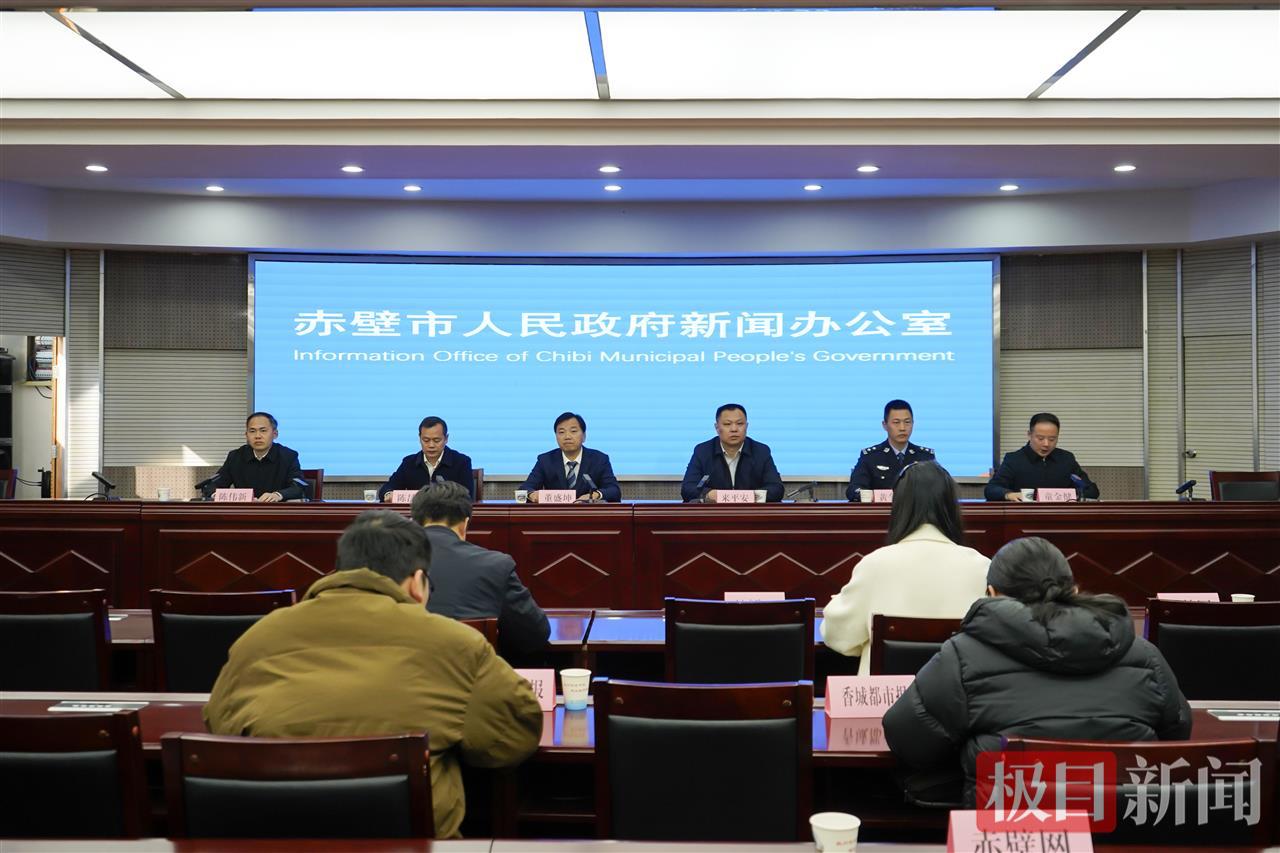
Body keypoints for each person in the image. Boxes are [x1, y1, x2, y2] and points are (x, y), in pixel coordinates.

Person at [204, 510, 543, 838]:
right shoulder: (456, 643)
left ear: (340, 570)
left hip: (273, 843)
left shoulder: (259, 636)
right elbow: (516, 734)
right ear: (418, 583)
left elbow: (219, 724)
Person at [882, 537, 1191, 806]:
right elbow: (1177, 733)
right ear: (1074, 590)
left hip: (1010, 837)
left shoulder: (962, 657)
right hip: (1125, 834)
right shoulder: (1144, 655)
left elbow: (908, 740)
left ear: (991, 593)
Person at [822, 461, 987, 674]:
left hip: (886, 695)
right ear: (952, 507)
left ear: (899, 506)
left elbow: (838, 637)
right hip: (961, 692)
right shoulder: (982, 567)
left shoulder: (875, 564)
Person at [410, 481, 550, 663]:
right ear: (465, 524)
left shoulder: (386, 564)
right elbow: (536, 634)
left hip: (402, 675)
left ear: (414, 522)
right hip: (472, 676)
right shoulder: (495, 565)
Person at [679, 403, 784, 502]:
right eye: (727, 424)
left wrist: (749, 496)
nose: (734, 429)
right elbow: (688, 489)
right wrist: (709, 494)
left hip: (751, 512)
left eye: (740, 424)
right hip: (714, 512)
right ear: (717, 427)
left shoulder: (761, 451)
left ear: (746, 426)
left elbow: (776, 489)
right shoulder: (703, 451)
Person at [985, 412, 1099, 501]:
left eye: (1052, 439)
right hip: (1025, 517)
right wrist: (1009, 495)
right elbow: (991, 489)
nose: (1046, 444)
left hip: (1061, 517)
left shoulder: (1066, 459)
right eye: (1040, 438)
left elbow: (1092, 491)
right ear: (1029, 435)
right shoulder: (1014, 459)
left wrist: (1071, 495)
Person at [520, 412, 621, 502]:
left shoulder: (599, 459)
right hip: (556, 514)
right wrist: (532, 495)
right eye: (561, 432)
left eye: (573, 431)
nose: (567, 437)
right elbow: (524, 489)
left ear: (584, 436)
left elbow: (614, 490)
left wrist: (595, 495)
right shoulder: (545, 460)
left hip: (587, 514)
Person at [847, 399, 936, 501]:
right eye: (896, 422)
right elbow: (854, 490)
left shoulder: (925, 457)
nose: (902, 428)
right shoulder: (870, 457)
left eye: (907, 422)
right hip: (883, 510)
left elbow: (937, 491)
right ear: (884, 425)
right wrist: (878, 496)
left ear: (913, 423)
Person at [206, 412, 304, 502]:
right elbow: (213, 484)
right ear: (246, 435)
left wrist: (278, 495)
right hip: (243, 512)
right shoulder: (235, 456)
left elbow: (298, 487)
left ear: (275, 434)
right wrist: (216, 495)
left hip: (276, 511)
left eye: (263, 431)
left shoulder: (288, 456)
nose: (257, 436)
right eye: (252, 431)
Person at [378, 416, 475, 501]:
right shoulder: (409, 462)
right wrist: (388, 494)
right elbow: (388, 488)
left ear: (446, 439)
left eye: (436, 440)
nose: (431, 445)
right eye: (426, 440)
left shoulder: (461, 462)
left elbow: (467, 496)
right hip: (417, 514)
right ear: (419, 438)